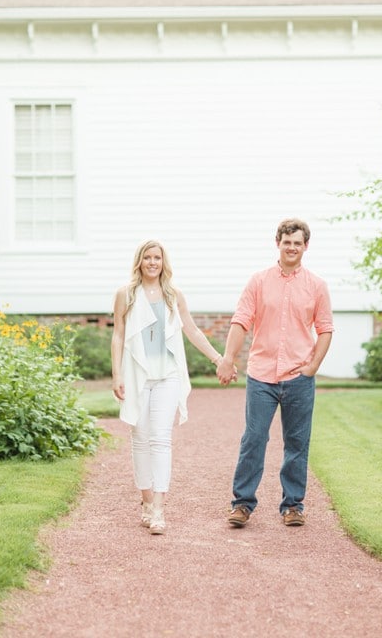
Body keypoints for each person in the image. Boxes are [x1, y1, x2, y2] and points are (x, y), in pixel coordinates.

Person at [216, 218, 333, 529]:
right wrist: (228, 358)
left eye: (297, 242)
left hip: (299, 377)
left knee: (297, 443)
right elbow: (241, 321)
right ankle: (242, 504)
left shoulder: (317, 286)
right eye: (287, 242)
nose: (292, 247)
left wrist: (312, 367)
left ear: (306, 246)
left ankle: (293, 506)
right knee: (254, 439)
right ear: (278, 243)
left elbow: (325, 329)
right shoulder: (258, 281)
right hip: (262, 376)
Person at [111, 240, 224, 535]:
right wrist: (116, 375)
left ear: (164, 262)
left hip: (168, 377)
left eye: (157, 258)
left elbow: (193, 330)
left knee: (161, 439)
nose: (152, 262)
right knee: (140, 436)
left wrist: (217, 358)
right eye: (147, 257)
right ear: (139, 261)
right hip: (137, 376)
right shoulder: (126, 295)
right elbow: (118, 336)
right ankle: (146, 499)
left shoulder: (174, 295)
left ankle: (159, 508)